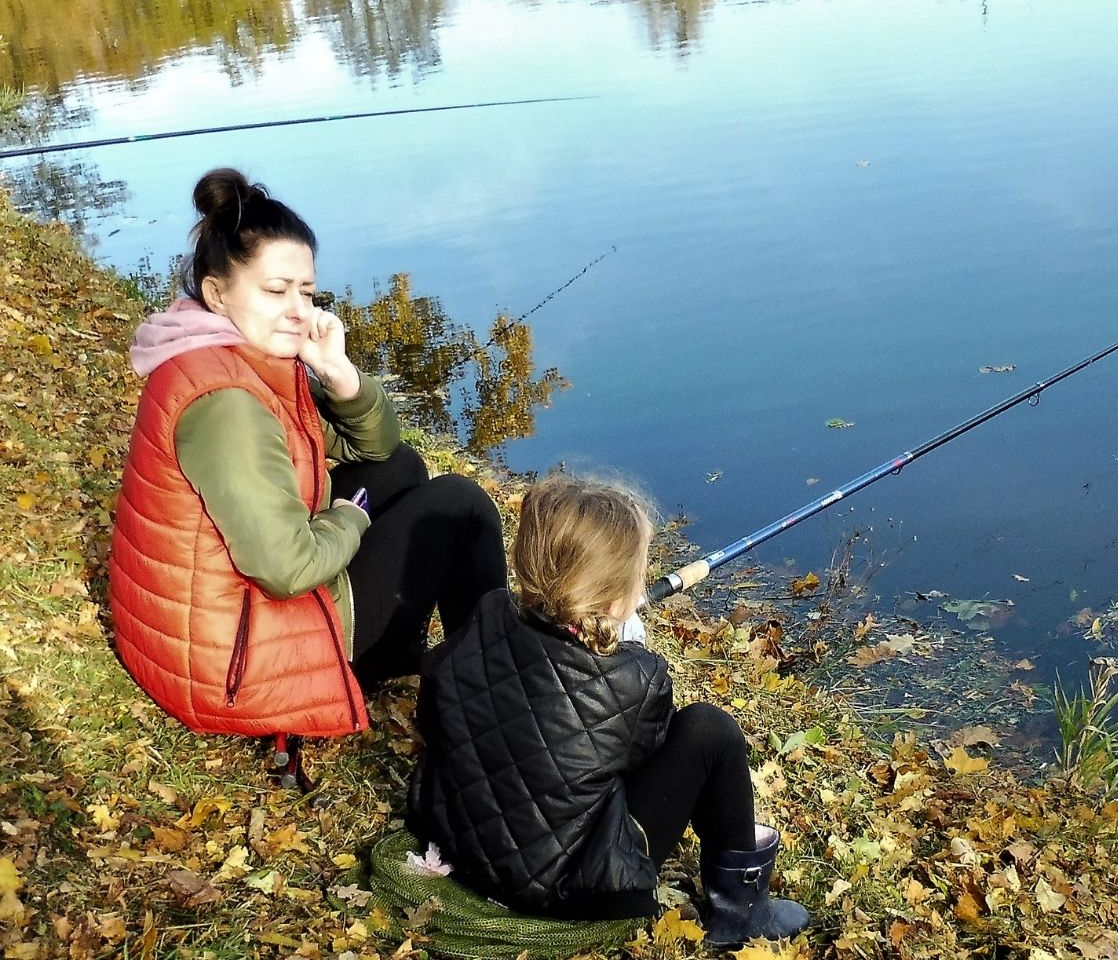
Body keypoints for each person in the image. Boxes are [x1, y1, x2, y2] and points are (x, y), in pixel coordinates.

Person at [109, 167, 508, 782]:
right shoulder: (228, 405)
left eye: (307, 290)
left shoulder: (220, 353)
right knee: (461, 504)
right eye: (276, 291)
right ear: (218, 294)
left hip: (207, 633)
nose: (299, 311)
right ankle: (499, 699)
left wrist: (339, 373)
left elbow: (375, 449)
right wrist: (351, 516)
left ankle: (415, 656)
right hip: (234, 667)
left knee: (398, 466)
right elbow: (288, 569)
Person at [405, 474, 809, 943]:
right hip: (568, 890)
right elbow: (642, 759)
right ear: (617, 593)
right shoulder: (637, 677)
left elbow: (440, 693)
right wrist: (625, 648)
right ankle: (742, 911)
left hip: (457, 840)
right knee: (708, 730)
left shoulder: (488, 612)